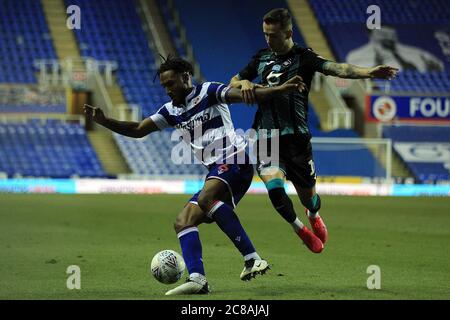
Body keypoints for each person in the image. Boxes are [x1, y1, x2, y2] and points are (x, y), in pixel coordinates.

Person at [84, 56, 306, 295]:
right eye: (164, 86)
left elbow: (243, 95)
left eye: (171, 84)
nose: (168, 90)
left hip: (235, 160)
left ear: (186, 77)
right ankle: (198, 279)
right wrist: (105, 121)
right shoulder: (170, 111)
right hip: (217, 170)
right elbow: (139, 129)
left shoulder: (209, 91)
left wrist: (281, 88)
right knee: (183, 221)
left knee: (205, 200)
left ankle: (252, 259)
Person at [229, 8, 399, 253]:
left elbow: (338, 69)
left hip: (297, 138)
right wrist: (244, 81)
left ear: (288, 32)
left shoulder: (304, 57)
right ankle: (300, 229)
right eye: (265, 34)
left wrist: (368, 72)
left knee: (309, 197)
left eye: (273, 35)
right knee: (275, 191)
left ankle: (313, 212)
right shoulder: (261, 58)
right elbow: (233, 81)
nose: (268, 40)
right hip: (266, 137)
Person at [346, 25, 444, 72]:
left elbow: (439, 66)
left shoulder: (417, 53)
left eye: (391, 35)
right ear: (371, 35)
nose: (388, 38)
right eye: (383, 34)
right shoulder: (356, 55)